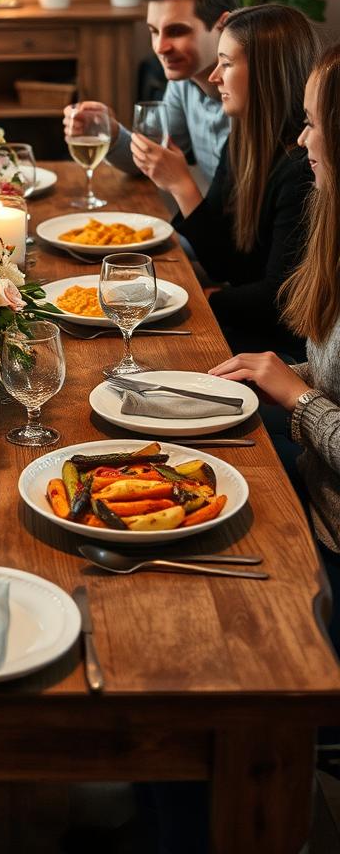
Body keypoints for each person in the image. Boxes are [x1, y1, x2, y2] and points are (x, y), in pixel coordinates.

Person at [209, 44, 340, 643]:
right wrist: (275, 372)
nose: (303, 140)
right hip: (313, 482)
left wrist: (296, 396)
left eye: (313, 123)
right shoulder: (330, 222)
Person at [161, 4, 319, 357]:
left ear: (266, 73)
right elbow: (226, 263)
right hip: (243, 324)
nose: (214, 77)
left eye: (227, 64)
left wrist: (207, 298)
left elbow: (279, 300)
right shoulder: (244, 141)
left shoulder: (304, 166)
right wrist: (179, 186)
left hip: (282, 352)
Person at [64, 0, 235, 194]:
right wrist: (112, 134)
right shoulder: (183, 82)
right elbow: (152, 160)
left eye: (176, 31)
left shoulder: (256, 92)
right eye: (154, 31)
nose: (160, 47)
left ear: (223, 26)